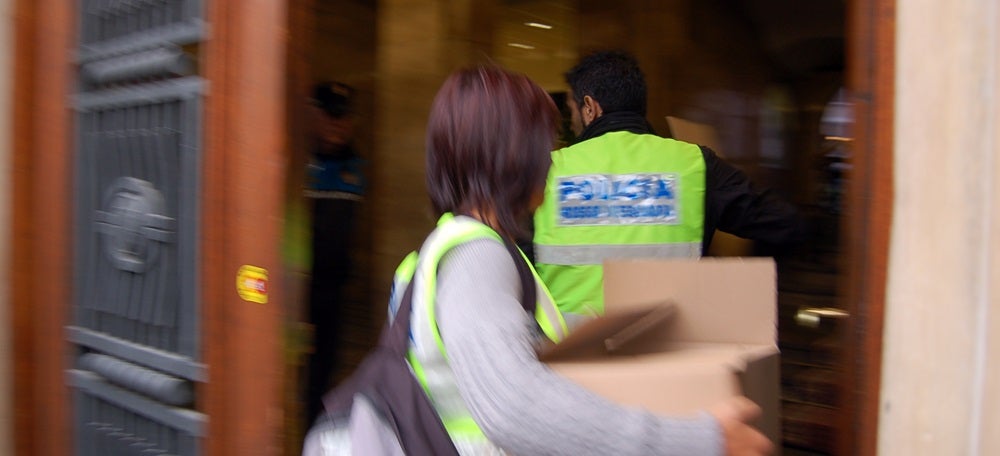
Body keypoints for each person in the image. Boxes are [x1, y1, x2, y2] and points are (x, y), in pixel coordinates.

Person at [303, 64, 772, 456]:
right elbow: (513, 406)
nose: (551, 160)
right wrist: (701, 439)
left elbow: (481, 351)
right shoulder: (477, 255)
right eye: (544, 143)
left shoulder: (455, 245)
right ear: (515, 155)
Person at [533, 50, 803, 316]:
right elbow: (787, 224)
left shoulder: (546, 170)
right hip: (666, 349)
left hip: (568, 352)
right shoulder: (695, 163)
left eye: (572, 110)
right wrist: (724, 277)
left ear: (590, 108)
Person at [303, 81, 366, 423]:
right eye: (329, 116)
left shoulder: (355, 166)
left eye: (343, 117)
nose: (337, 125)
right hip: (298, 289)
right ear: (313, 115)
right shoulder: (298, 163)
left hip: (333, 288)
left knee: (325, 367)